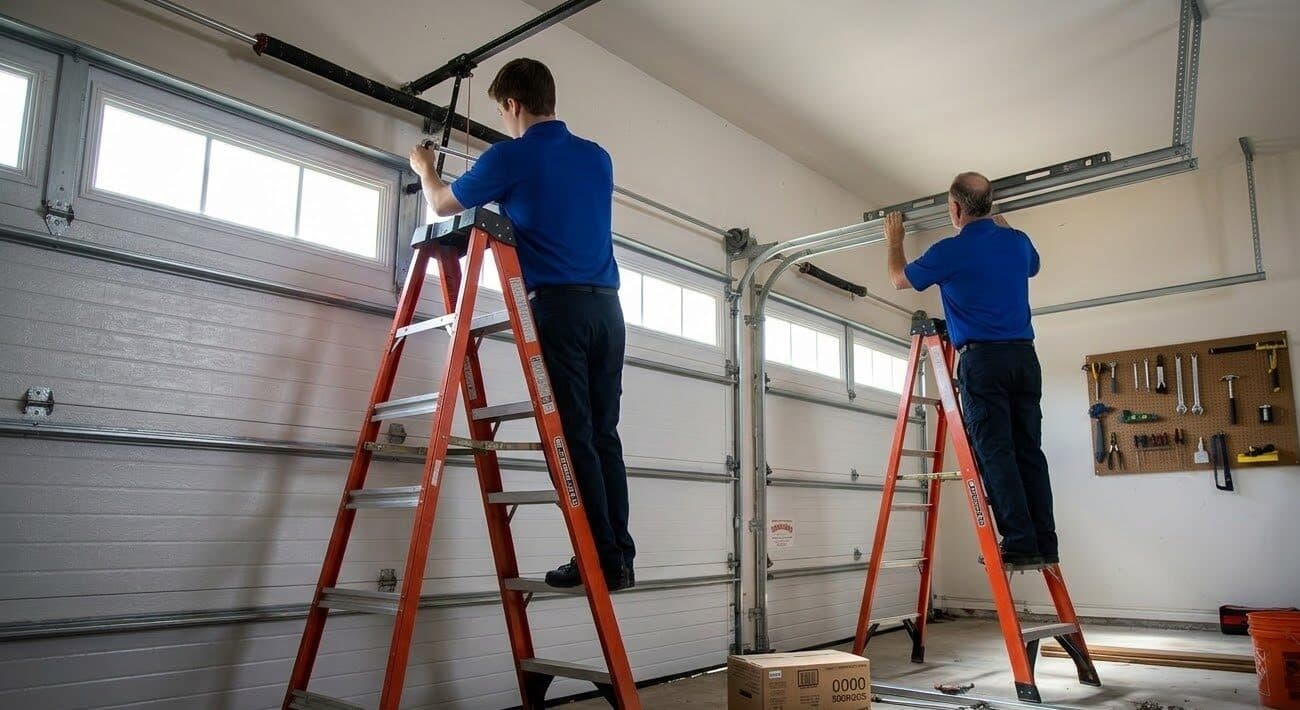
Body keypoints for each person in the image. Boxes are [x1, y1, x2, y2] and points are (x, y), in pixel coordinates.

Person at [408, 58, 635, 590]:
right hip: (609, 310)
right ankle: (618, 556)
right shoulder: (598, 158)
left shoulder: (512, 156)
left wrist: (423, 166)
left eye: (502, 111)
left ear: (512, 104)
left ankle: (597, 557)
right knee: (605, 435)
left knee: (575, 434)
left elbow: (442, 204)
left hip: (559, 310)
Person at [883, 172, 1057, 567]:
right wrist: (1001, 221)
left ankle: (1019, 541)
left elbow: (898, 279)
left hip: (984, 361)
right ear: (991, 206)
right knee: (1029, 450)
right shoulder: (1017, 243)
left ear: (956, 209)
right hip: (1025, 359)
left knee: (995, 450)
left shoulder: (950, 251)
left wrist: (894, 241)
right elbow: (1033, 266)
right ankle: (1045, 541)